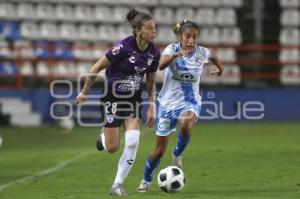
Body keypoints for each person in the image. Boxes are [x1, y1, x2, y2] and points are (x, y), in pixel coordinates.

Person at [75, 9, 160, 196]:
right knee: (113, 148)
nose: (154, 31)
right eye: (150, 28)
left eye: (155, 28)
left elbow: (151, 82)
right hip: (113, 97)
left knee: (132, 141)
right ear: (138, 30)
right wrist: (84, 93)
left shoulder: (154, 52)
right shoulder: (123, 47)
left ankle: (117, 185)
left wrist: (152, 106)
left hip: (134, 100)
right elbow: (96, 67)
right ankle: (103, 137)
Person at [137, 19, 224, 192]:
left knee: (186, 122)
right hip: (167, 104)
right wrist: (176, 55)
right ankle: (146, 180)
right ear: (180, 36)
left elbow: (213, 56)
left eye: (195, 37)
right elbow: (160, 66)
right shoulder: (171, 49)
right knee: (159, 151)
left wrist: (220, 69)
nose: (191, 40)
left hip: (190, 101)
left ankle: (177, 155)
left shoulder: (202, 52)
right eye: (187, 36)